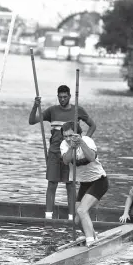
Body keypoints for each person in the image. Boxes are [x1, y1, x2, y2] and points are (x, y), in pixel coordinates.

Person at [29, 85, 96, 220]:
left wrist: (84, 141)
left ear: (70, 97)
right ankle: (48, 218)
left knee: (70, 185)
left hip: (71, 152)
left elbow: (93, 126)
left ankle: (71, 218)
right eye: (60, 97)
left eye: (65, 97)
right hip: (54, 153)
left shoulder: (78, 110)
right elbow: (32, 121)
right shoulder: (52, 111)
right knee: (52, 183)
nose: (62, 99)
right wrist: (35, 106)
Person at [60, 121, 109, 247]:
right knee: (77, 221)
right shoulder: (64, 145)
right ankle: (93, 236)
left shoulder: (87, 140)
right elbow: (66, 161)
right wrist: (72, 146)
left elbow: (92, 157)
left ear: (78, 134)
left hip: (99, 181)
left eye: (70, 135)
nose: (68, 139)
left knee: (82, 210)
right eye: (65, 136)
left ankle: (91, 242)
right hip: (84, 184)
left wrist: (81, 142)